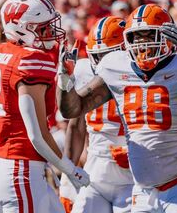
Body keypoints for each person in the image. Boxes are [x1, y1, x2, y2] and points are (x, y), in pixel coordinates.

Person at [57, 4, 177, 213]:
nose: (142, 43)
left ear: (167, 36)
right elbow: (74, 109)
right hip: (142, 189)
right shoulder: (115, 66)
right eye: (136, 37)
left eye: (148, 35)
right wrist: (64, 81)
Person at [0, 0, 89, 213]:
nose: (50, 33)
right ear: (22, 27)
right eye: (43, 27)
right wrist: (70, 170)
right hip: (21, 170)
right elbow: (36, 133)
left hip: (3, 167)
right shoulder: (32, 59)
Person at [59, 16, 134, 213]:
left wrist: (135, 150)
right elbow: (75, 127)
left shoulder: (139, 74)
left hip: (134, 175)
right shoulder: (84, 69)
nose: (102, 63)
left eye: (108, 56)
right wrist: (67, 178)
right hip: (96, 171)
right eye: (98, 56)